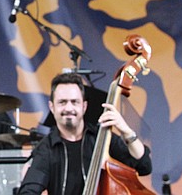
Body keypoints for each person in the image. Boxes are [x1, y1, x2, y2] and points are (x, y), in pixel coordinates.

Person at [17, 73, 152, 195]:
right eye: (62, 102)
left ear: (84, 106)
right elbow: (28, 191)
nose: (69, 108)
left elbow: (144, 166)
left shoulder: (102, 138)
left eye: (74, 102)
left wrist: (126, 131)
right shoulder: (47, 148)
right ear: (52, 107)